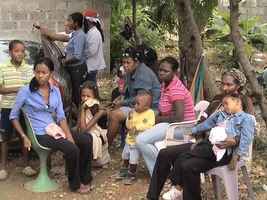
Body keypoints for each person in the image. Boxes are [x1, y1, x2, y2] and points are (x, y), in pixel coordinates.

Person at [147, 93, 255, 200]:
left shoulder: (246, 118)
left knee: (187, 164)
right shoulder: (220, 111)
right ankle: (153, 196)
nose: (224, 106)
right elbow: (205, 124)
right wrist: (193, 131)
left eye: (226, 103)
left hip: (224, 152)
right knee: (165, 153)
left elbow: (246, 138)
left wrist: (236, 155)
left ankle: (177, 187)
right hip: (206, 145)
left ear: (238, 101)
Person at [9, 57, 93, 193]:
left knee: (86, 139)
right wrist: (23, 136)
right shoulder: (25, 91)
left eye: (44, 72)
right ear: (34, 72)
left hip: (54, 130)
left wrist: (68, 135)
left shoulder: (55, 91)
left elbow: (61, 117)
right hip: (39, 134)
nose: (40, 75)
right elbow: (13, 116)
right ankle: (75, 185)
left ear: (51, 73)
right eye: (37, 72)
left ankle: (85, 179)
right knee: (72, 149)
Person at [136, 56, 195, 176]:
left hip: (182, 127)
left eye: (166, 71)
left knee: (141, 140)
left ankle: (162, 170)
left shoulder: (175, 89)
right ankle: (159, 171)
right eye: (160, 70)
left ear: (175, 73)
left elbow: (179, 118)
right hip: (170, 124)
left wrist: (156, 120)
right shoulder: (165, 84)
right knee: (140, 133)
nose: (161, 73)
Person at [107, 47, 160, 145]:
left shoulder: (143, 74)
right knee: (107, 111)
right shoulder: (131, 71)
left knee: (115, 115)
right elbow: (127, 92)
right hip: (136, 105)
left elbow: (141, 100)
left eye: (128, 62)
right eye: (123, 62)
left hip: (148, 109)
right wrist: (119, 99)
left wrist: (122, 102)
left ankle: (106, 147)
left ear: (136, 62)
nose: (125, 65)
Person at [0, 40, 37, 180]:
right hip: (7, 107)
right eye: (17, 51)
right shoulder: (2, 67)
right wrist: (17, 89)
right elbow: (0, 89)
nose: (20, 54)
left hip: (24, 109)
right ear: (10, 52)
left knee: (24, 136)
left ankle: (26, 165)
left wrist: (24, 92)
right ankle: (3, 167)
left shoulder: (28, 68)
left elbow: (31, 89)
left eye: (22, 51)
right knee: (5, 138)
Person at [38, 12, 88, 107]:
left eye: (69, 20)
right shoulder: (75, 34)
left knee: (78, 94)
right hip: (73, 68)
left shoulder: (80, 36)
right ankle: (77, 114)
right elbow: (59, 37)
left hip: (77, 69)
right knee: (73, 94)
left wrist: (65, 61)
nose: (67, 23)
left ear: (76, 23)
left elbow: (77, 56)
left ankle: (81, 116)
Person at [115, 91, 155, 185]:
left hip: (138, 141)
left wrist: (138, 127)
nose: (135, 106)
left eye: (138, 104)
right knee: (125, 156)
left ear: (146, 107)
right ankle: (124, 170)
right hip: (129, 139)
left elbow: (150, 125)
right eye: (134, 103)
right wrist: (129, 118)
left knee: (133, 159)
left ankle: (131, 173)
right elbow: (128, 126)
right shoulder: (133, 112)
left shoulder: (150, 113)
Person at [77, 81, 110, 166]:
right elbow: (79, 126)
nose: (85, 99)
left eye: (88, 96)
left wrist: (83, 110)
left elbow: (84, 129)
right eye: (83, 96)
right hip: (87, 132)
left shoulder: (99, 111)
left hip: (99, 134)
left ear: (94, 97)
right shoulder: (83, 106)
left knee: (84, 136)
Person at [83, 8, 106, 84]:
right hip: (91, 65)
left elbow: (92, 51)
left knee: (90, 85)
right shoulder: (91, 32)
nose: (83, 22)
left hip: (92, 65)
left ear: (89, 21)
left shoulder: (94, 33)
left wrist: (81, 54)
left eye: (84, 20)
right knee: (92, 85)